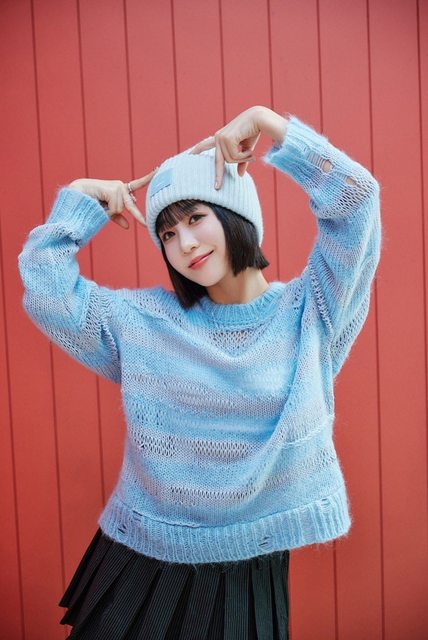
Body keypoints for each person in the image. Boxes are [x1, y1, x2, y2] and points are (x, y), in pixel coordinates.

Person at [17, 105, 382, 639]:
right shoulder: (145, 323)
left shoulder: (313, 312)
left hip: (247, 575)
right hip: (141, 562)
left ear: (236, 215)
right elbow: (48, 294)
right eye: (166, 233)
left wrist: (267, 122)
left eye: (195, 218)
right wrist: (78, 201)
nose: (184, 243)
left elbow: (357, 200)